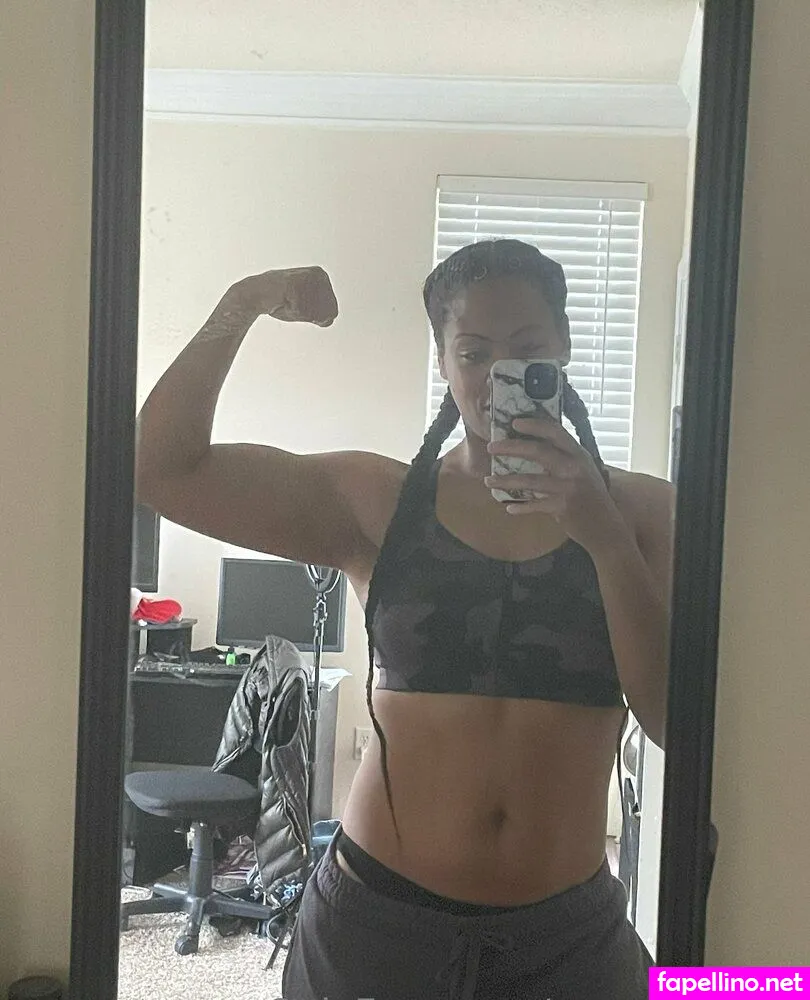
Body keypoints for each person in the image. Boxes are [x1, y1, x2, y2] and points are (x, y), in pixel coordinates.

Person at [135, 239, 673, 1000]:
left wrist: (605, 538)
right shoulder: (377, 502)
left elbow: (674, 723)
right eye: (473, 352)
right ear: (443, 361)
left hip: (565, 941)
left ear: (563, 348)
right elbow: (162, 470)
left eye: (526, 349)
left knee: (747, 986)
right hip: (376, 927)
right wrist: (243, 301)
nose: (496, 373)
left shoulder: (646, 514)